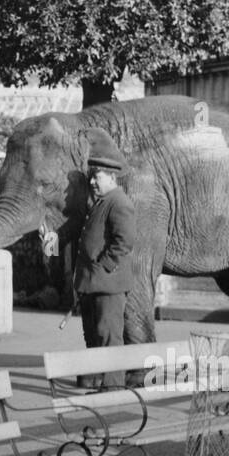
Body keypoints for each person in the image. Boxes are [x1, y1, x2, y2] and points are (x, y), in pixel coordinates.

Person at [72, 146, 137, 389]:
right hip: (94, 284)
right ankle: (97, 377)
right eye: (91, 176)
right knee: (94, 335)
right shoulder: (103, 202)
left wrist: (104, 267)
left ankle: (113, 386)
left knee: (109, 336)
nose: (91, 181)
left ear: (111, 177)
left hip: (108, 285)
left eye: (96, 177)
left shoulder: (119, 202)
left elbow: (125, 242)